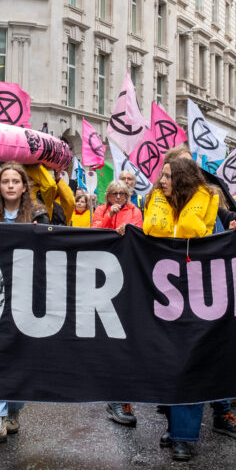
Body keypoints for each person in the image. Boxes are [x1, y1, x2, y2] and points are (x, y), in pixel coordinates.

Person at [143, 157, 236, 461]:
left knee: (190, 366)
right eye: (162, 176)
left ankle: (183, 436)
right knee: (167, 366)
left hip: (199, 299)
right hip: (161, 300)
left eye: (168, 176)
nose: (162, 181)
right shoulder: (153, 206)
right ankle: (173, 426)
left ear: (183, 180)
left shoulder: (210, 211)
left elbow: (223, 247)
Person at [0, 162, 52, 446]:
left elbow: (56, 247)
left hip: (26, 294)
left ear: (23, 186)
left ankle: (13, 409)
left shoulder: (39, 214)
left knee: (19, 353)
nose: (9, 185)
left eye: (15, 181)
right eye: (4, 181)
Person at [91, 180, 143, 426]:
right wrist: (111, 218)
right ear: (109, 195)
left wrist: (125, 229)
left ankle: (123, 394)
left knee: (129, 331)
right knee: (110, 332)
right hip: (104, 273)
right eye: (115, 193)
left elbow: (138, 231)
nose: (120, 197)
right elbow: (95, 232)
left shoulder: (135, 210)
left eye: (123, 193)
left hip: (129, 272)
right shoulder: (102, 209)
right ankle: (115, 397)